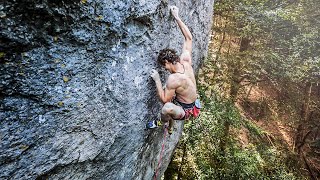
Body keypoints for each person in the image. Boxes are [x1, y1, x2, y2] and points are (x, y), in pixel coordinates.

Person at [146, 6, 201, 133]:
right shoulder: (185, 61)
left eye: (164, 66)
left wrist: (157, 80)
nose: (165, 69)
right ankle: (171, 127)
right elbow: (188, 38)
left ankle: (161, 122)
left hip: (185, 110)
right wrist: (177, 16)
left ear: (167, 62)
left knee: (167, 109)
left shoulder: (173, 79)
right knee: (173, 97)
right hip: (190, 101)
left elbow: (164, 100)